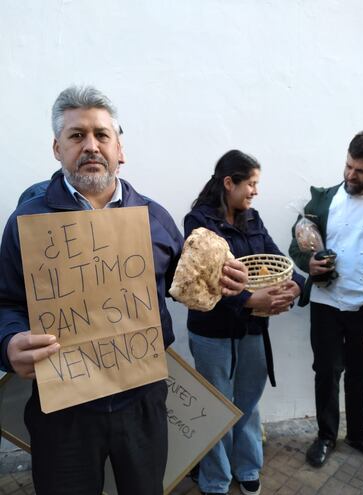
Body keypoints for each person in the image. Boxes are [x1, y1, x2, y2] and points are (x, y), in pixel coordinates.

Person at [0, 86, 248, 495]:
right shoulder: (28, 221)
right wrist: (8, 342)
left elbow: (178, 287)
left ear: (120, 148)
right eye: (77, 136)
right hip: (64, 409)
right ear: (57, 148)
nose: (91, 146)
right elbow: (7, 301)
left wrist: (222, 284)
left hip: (141, 402)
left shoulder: (154, 217)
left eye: (102, 135)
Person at [184, 150, 304, 495]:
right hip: (212, 331)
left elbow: (275, 254)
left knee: (247, 403)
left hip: (252, 330)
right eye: (250, 183)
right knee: (216, 406)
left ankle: (247, 466)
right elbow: (205, 279)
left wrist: (295, 281)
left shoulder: (253, 218)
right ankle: (215, 479)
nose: (255, 191)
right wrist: (250, 300)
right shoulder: (199, 223)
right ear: (229, 183)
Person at [289, 131, 363, 468]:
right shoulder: (323, 200)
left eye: (361, 171)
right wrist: (307, 262)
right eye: (349, 166)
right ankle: (325, 436)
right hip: (325, 302)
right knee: (326, 370)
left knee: (361, 371)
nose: (351, 175)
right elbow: (297, 242)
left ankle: (358, 433)